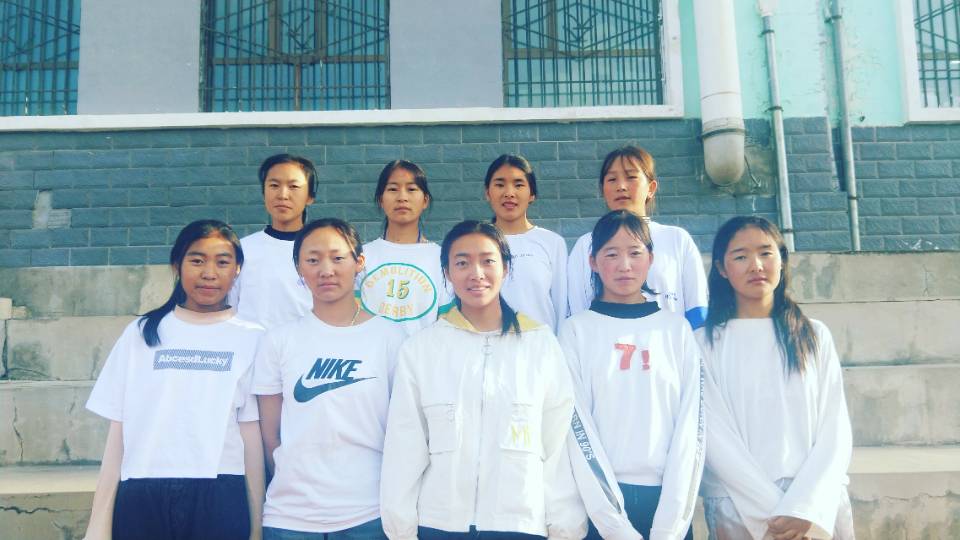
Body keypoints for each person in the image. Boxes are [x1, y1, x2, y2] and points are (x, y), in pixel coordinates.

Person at [380, 220, 586, 540]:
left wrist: (564, 527)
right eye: (462, 263)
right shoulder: (422, 349)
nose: (476, 273)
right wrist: (401, 529)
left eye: (488, 261)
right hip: (440, 523)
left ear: (506, 268)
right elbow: (405, 444)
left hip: (520, 524)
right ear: (447, 273)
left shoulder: (540, 344)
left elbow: (557, 443)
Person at [83, 220, 265, 540]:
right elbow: (119, 432)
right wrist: (98, 526)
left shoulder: (254, 338)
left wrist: (256, 526)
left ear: (237, 270)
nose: (209, 273)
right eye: (197, 260)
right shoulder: (141, 333)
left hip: (221, 491)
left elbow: (251, 436)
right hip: (142, 490)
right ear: (176, 265)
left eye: (222, 262)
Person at [697, 216, 854, 540]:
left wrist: (804, 508)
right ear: (722, 269)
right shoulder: (703, 343)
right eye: (741, 256)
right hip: (737, 506)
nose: (756, 265)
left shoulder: (814, 335)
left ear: (782, 260)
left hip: (815, 507)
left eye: (766, 253)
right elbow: (713, 435)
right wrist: (776, 514)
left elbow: (835, 428)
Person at [254, 218, 406, 539]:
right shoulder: (278, 340)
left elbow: (402, 430)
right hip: (290, 518)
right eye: (312, 260)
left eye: (338, 258)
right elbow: (270, 436)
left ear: (359, 262)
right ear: (299, 268)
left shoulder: (390, 338)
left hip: (369, 514)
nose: (326, 270)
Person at [560, 210, 703, 540]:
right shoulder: (576, 331)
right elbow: (575, 424)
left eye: (635, 253)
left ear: (651, 259)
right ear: (593, 262)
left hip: (669, 503)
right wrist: (613, 523)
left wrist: (671, 523)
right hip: (599, 505)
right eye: (611, 254)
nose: (624, 265)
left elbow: (692, 425)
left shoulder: (676, 330)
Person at [566, 145, 707, 329]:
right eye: (612, 179)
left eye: (631, 177)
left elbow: (697, 310)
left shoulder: (677, 239)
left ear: (651, 188)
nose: (621, 186)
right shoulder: (586, 245)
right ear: (602, 189)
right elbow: (578, 311)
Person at [358, 160, 452, 335]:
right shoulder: (362, 256)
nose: (402, 197)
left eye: (411, 189)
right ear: (381, 200)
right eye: (393, 189)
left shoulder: (442, 258)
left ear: (425, 200)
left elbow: (446, 321)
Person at [230, 153, 317, 329]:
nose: (282, 195)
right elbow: (230, 307)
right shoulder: (242, 249)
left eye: (293, 186)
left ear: (309, 197)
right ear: (264, 192)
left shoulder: (322, 251)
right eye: (274, 185)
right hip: (251, 344)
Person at [483, 154, 568, 331]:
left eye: (519, 185)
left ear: (532, 194)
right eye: (500, 185)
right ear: (487, 193)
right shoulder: (477, 243)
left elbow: (561, 306)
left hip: (540, 344)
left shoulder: (552, 243)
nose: (509, 193)